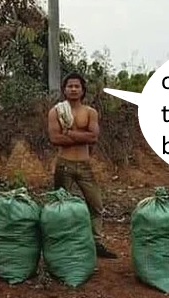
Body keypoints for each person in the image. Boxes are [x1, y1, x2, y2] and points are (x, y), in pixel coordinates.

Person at [48, 71, 118, 259]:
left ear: (82, 90)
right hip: (64, 164)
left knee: (96, 205)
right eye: (69, 86)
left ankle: (96, 242)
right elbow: (55, 139)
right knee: (61, 206)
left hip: (84, 165)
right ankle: (63, 243)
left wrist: (69, 134)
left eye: (76, 86)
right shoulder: (57, 111)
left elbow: (93, 137)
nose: (73, 89)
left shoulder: (90, 112)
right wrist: (80, 136)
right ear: (64, 90)